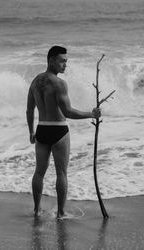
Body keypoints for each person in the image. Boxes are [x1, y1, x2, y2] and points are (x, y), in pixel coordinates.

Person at [26, 46, 101, 218]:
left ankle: (36, 210)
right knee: (61, 173)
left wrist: (31, 131)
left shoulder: (35, 82)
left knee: (39, 172)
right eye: (62, 61)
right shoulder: (59, 83)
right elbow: (68, 112)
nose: (65, 65)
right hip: (58, 129)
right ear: (51, 60)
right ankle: (60, 212)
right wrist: (92, 114)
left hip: (41, 129)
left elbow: (29, 110)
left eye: (66, 61)